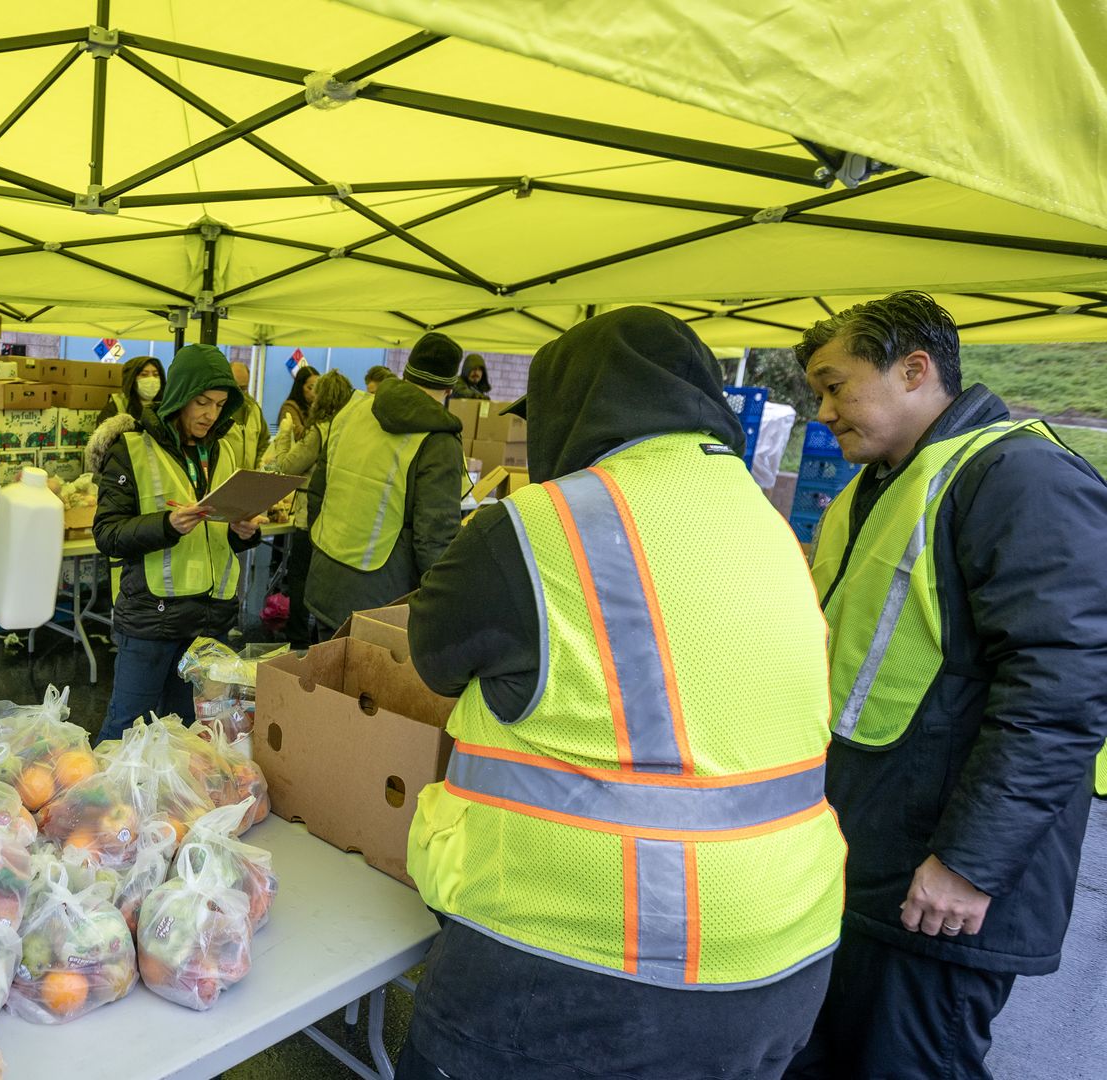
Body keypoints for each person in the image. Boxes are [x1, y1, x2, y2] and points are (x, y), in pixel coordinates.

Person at [399, 307, 846, 1080]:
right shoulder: (768, 524)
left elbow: (434, 658)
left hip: (577, 960)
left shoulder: (536, 527)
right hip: (786, 950)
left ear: (571, 408)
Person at [782, 293, 1107, 1080]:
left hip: (942, 882)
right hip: (866, 857)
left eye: (836, 385)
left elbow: (1061, 689)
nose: (822, 411)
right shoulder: (883, 484)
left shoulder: (1019, 475)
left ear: (915, 369)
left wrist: (969, 861)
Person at [87, 344, 263, 742]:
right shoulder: (131, 449)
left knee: (187, 736)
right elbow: (108, 534)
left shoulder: (223, 452)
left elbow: (215, 538)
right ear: (180, 395)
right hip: (152, 620)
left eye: (219, 404)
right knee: (127, 734)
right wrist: (166, 525)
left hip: (207, 622)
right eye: (201, 402)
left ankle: (168, 805)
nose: (210, 414)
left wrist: (241, 534)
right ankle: (104, 805)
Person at [304, 333, 464, 635]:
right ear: (449, 387)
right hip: (383, 600)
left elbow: (317, 493)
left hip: (326, 579)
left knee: (322, 675)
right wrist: (443, 609)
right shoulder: (439, 441)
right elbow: (434, 538)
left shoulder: (352, 411)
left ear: (405, 373)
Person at [267, 371, 352, 647]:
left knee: (300, 577)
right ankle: (324, 639)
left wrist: (283, 437)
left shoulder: (320, 430)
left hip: (310, 516)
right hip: (339, 516)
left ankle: (298, 639)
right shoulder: (352, 430)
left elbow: (286, 467)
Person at [267, 364, 319, 467]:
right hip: (290, 461)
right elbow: (298, 434)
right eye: (310, 387)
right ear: (300, 387)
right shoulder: (289, 408)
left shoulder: (313, 407)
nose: (314, 392)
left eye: (318, 388)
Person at [224, 360, 270, 474]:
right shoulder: (217, 410)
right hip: (222, 481)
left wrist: (259, 466)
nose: (239, 393)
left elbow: (263, 442)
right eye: (235, 387)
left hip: (248, 480)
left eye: (243, 388)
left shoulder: (254, 409)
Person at [94, 354, 164, 425]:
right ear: (131, 380)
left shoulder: (165, 406)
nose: (151, 379)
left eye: (156, 375)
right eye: (144, 375)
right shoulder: (118, 406)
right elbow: (102, 434)